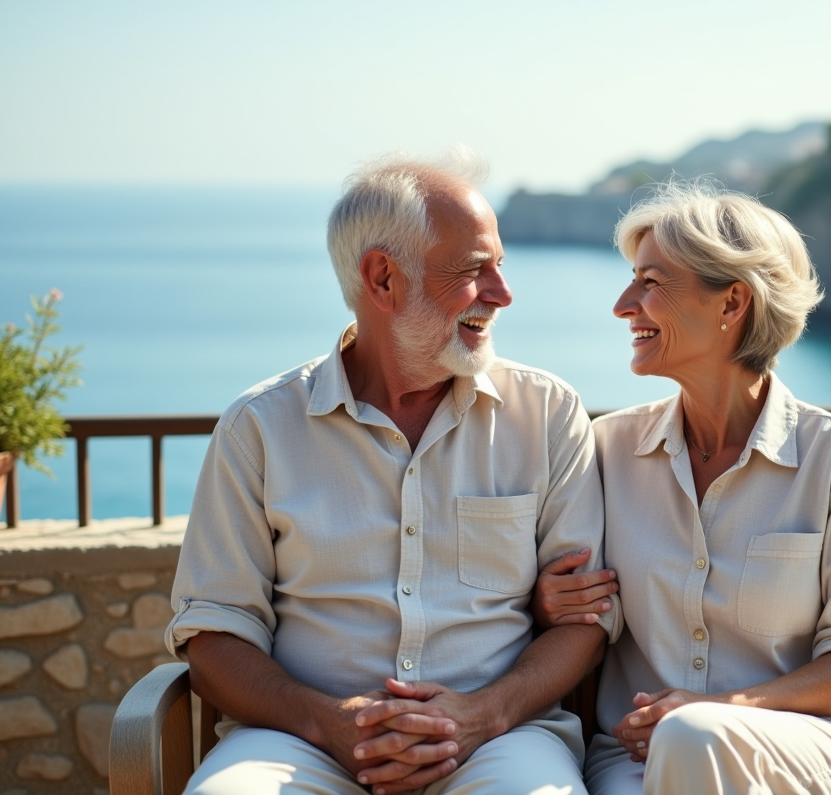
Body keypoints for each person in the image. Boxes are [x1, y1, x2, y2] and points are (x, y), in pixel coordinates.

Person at [167, 150, 618, 795]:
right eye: (474, 270)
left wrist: (482, 716)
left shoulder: (546, 415)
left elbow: (585, 621)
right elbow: (213, 632)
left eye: (500, 267)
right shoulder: (260, 428)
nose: (502, 293)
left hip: (497, 740)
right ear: (382, 279)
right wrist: (328, 724)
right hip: (301, 743)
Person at [536, 181, 831, 795]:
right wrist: (550, 604)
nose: (624, 304)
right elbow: (582, 607)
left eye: (650, 283)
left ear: (731, 303)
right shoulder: (607, 451)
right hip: (639, 752)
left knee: (694, 737)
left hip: (816, 742)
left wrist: (723, 709)